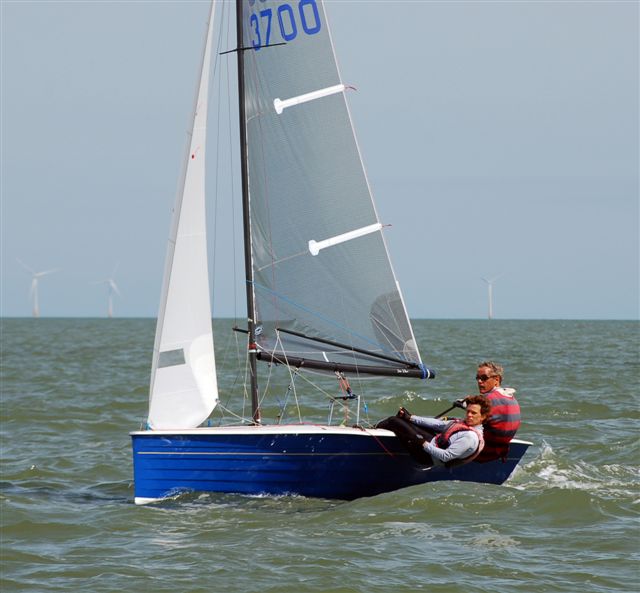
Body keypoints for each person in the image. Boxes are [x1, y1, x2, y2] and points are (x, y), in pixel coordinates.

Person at [377, 395, 491, 468]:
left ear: (483, 417)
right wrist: (410, 417)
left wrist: (423, 443)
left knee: (394, 421)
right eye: (468, 411)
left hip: (427, 456)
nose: (469, 415)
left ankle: (373, 432)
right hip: (432, 442)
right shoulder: (463, 424)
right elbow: (438, 424)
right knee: (403, 419)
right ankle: (375, 429)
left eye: (474, 413)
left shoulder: (470, 437)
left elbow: (446, 456)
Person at [464, 361, 521, 463]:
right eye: (478, 378)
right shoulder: (511, 398)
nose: (480, 381)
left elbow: (468, 424)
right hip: (501, 450)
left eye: (484, 378)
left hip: (484, 454)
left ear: (496, 380)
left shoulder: (487, 399)